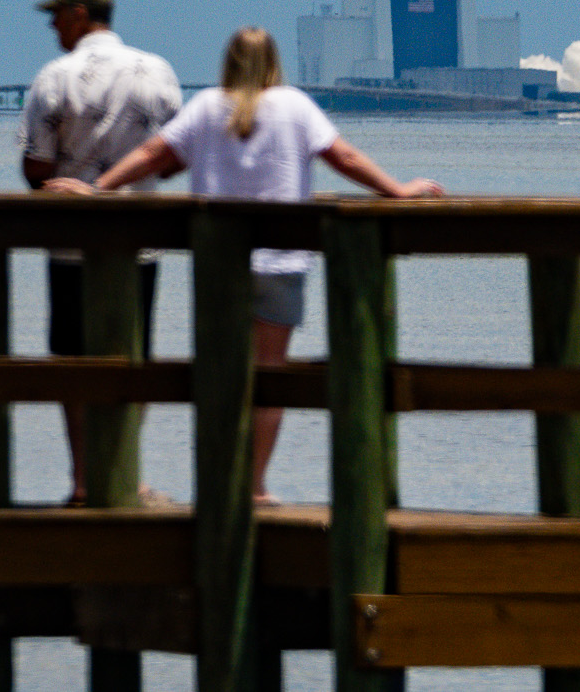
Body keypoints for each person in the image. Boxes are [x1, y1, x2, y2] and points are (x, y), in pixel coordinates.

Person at [46, 26, 443, 501]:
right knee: (269, 378)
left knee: (222, 376)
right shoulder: (295, 106)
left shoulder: (207, 106)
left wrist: (98, 190)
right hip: (281, 267)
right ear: (275, 61)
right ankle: (253, 487)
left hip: (220, 268)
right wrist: (397, 190)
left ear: (228, 61)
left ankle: (217, 484)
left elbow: (153, 154)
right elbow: (344, 156)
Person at [17, 0, 182, 506]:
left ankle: (85, 481)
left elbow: (37, 164)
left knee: (73, 361)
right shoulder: (156, 71)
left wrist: (66, 179)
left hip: (71, 243)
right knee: (135, 358)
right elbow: (177, 153)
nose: (51, 25)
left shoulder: (54, 76)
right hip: (140, 239)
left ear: (81, 15)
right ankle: (127, 477)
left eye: (57, 15)